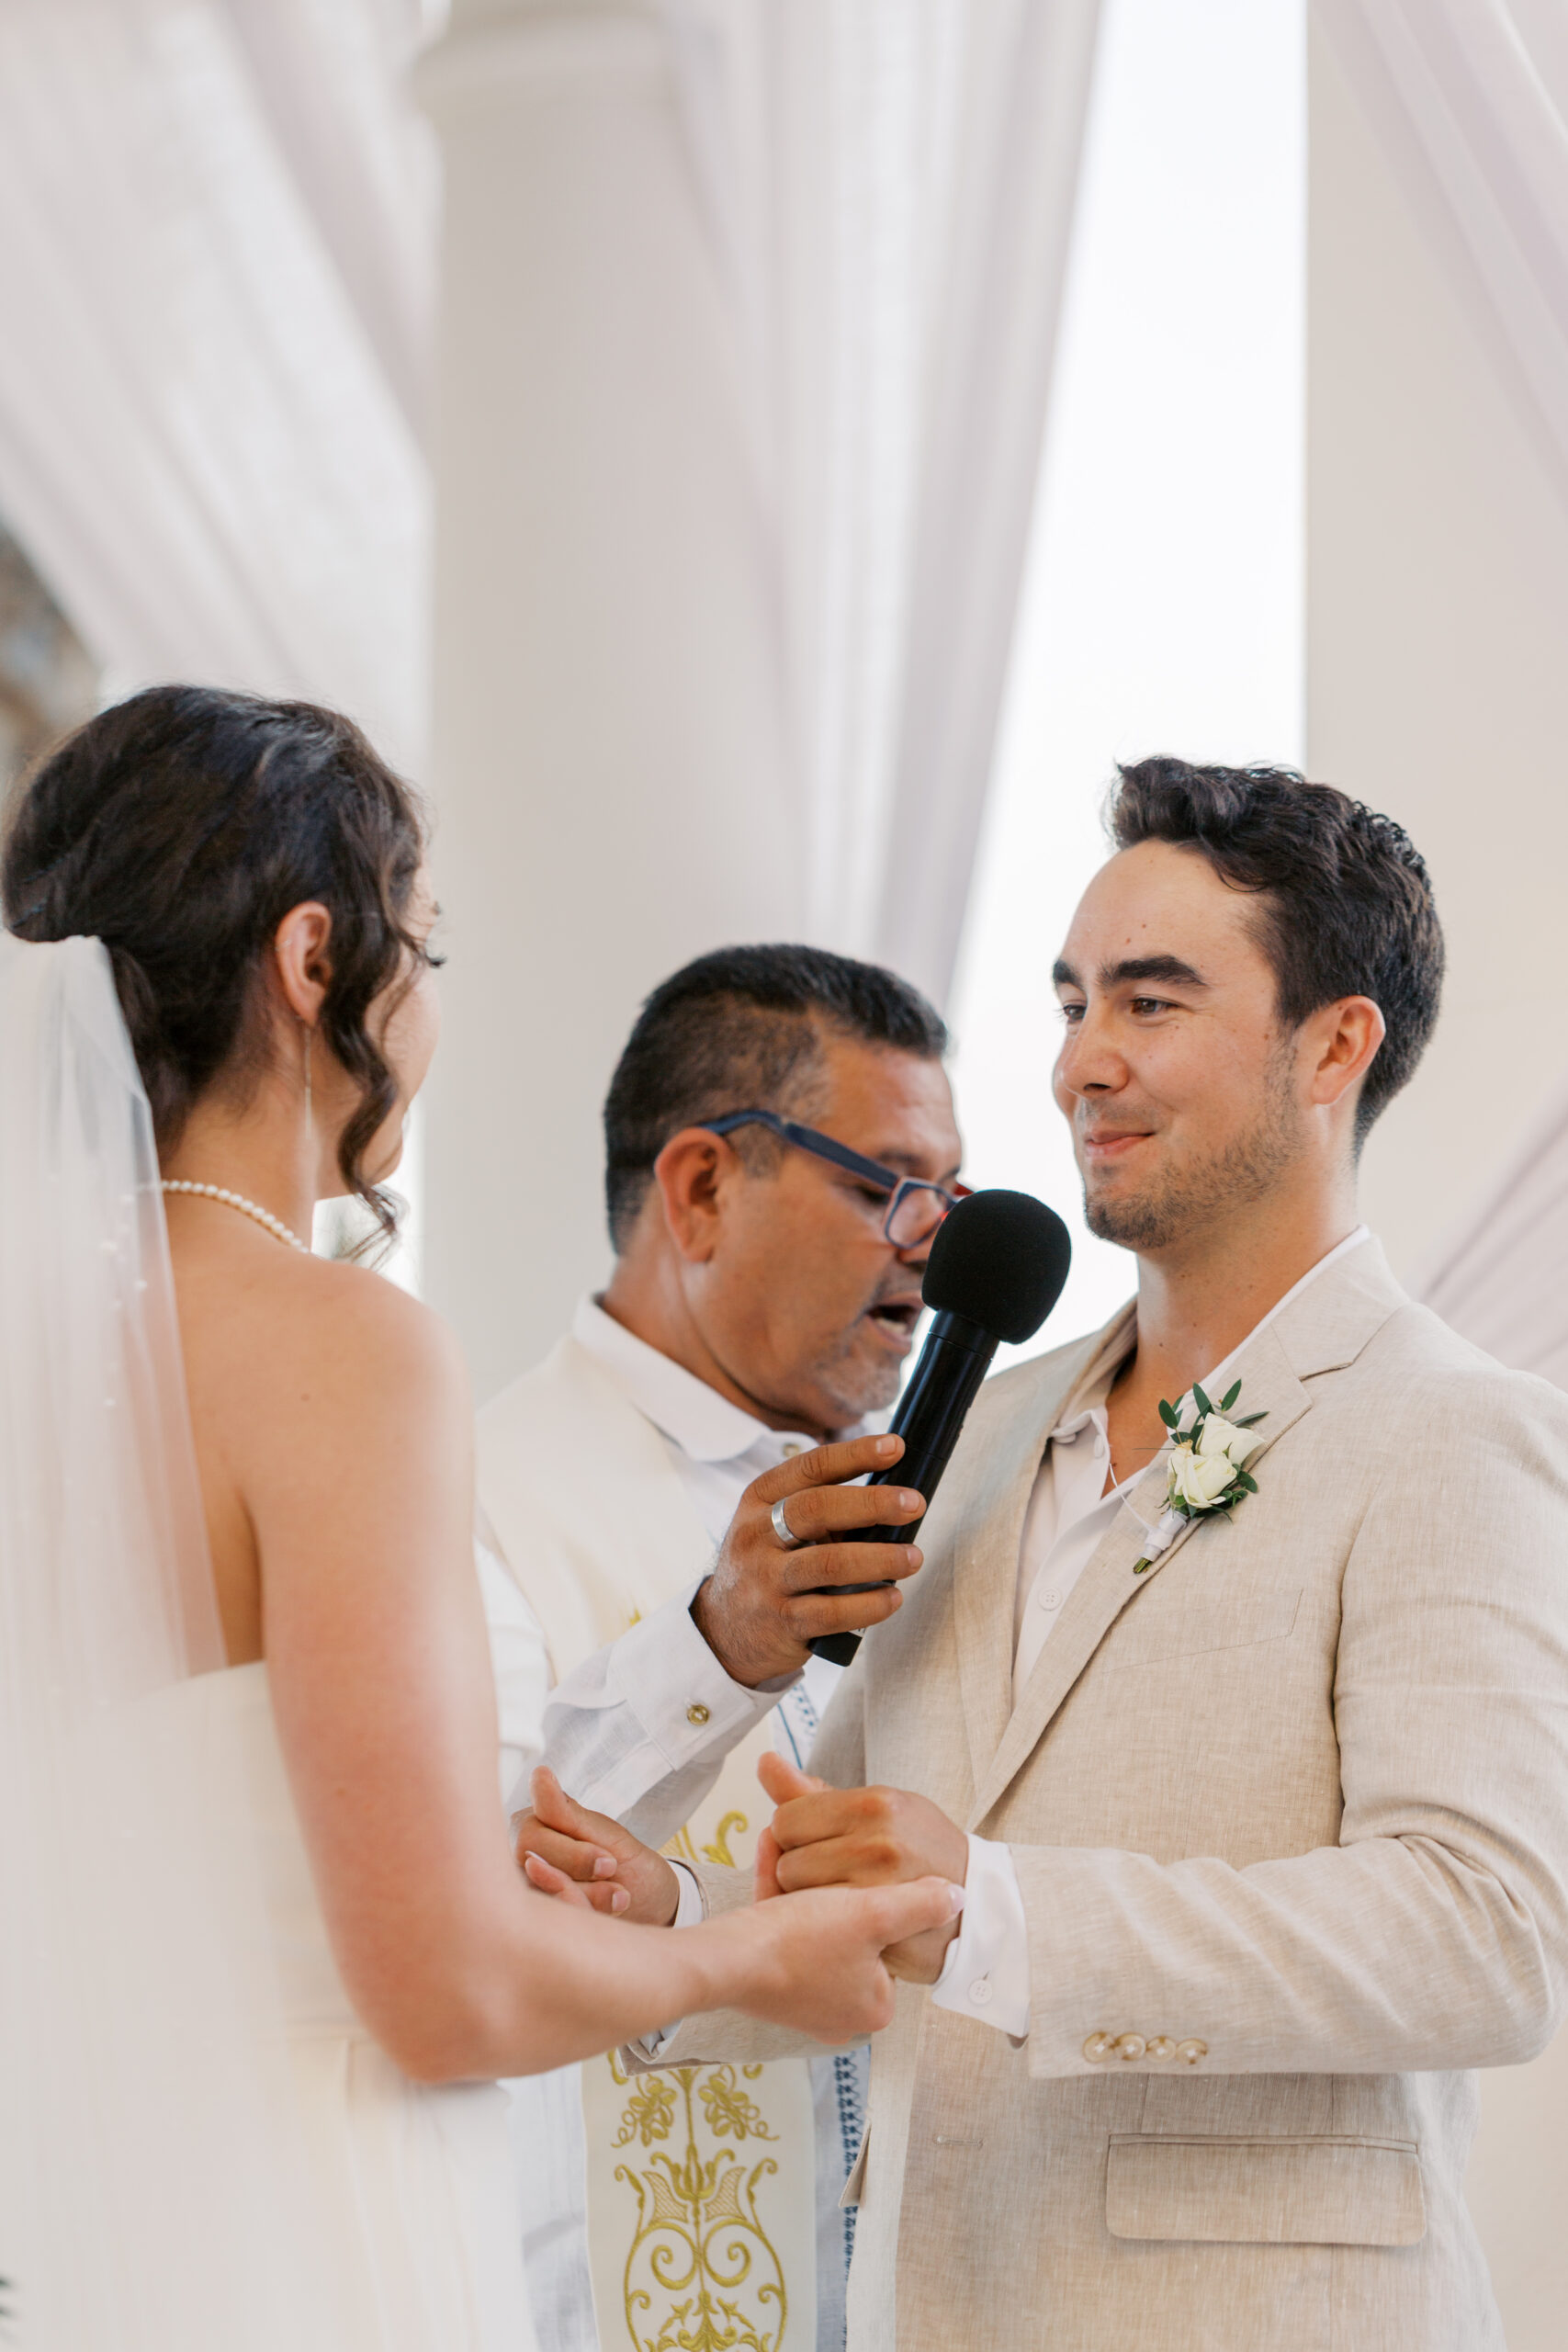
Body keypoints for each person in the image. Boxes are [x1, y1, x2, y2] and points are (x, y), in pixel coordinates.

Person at [537, 759, 1568, 2350]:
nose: (1083, 1061)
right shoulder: (979, 1428)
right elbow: (881, 1901)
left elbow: (1479, 1934)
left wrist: (1001, 1911)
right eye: (1072, 1000)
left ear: (1334, 1046)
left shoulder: (1455, 1432)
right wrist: (680, 1915)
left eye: (1150, 1005)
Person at [0, 686, 961, 2352]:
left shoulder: (45, 1366)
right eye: (421, 954)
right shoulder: (335, 1345)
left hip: (106, 2234)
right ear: (315, 963)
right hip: (317, 2227)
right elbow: (443, 1987)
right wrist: (746, 1962)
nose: (429, 1017)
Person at [475, 944, 963, 2352]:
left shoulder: (928, 1489)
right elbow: (483, 1872)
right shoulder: (475, 1496)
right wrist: (718, 1645)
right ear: (699, 1189)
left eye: (951, 1196)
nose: (930, 1241)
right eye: (886, 1188)